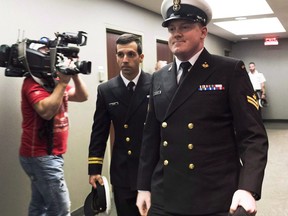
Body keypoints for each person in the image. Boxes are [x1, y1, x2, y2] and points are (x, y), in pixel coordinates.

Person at [136, 0, 269, 216]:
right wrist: (143, 185)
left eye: (185, 27)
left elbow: (253, 136)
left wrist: (247, 187)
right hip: (165, 193)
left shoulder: (229, 69)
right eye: (171, 29)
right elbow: (151, 136)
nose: (176, 34)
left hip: (214, 195)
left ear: (203, 32)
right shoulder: (159, 77)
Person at [19, 41, 89, 216]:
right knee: (60, 208)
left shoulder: (55, 82)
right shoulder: (32, 83)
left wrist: (74, 74)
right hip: (40, 155)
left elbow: (82, 96)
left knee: (40, 205)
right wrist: (63, 84)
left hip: (51, 154)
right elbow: (46, 111)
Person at [88, 33, 151, 216]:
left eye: (130, 54)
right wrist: (94, 169)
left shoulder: (156, 84)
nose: (125, 59)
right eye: (120, 54)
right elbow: (99, 132)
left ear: (141, 57)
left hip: (150, 168)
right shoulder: (106, 90)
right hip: (123, 169)